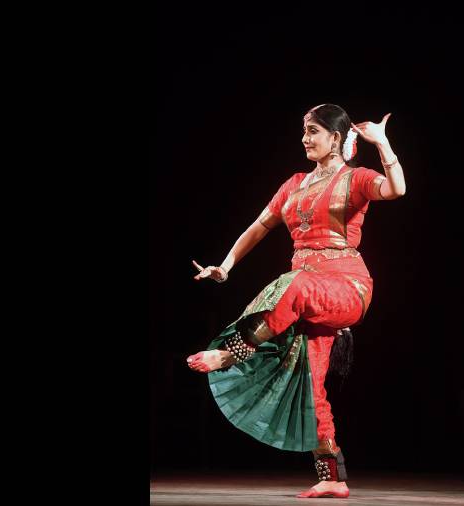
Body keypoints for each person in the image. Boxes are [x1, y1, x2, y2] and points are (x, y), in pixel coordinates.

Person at [186, 103, 406, 499]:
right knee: (310, 383)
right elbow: (259, 226)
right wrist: (226, 266)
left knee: (297, 282)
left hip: (346, 287)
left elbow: (396, 189)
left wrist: (383, 143)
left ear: (336, 138)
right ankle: (332, 475)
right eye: (304, 131)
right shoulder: (294, 184)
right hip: (304, 297)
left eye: (313, 131)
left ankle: (229, 355)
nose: (305, 138)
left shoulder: (355, 179)